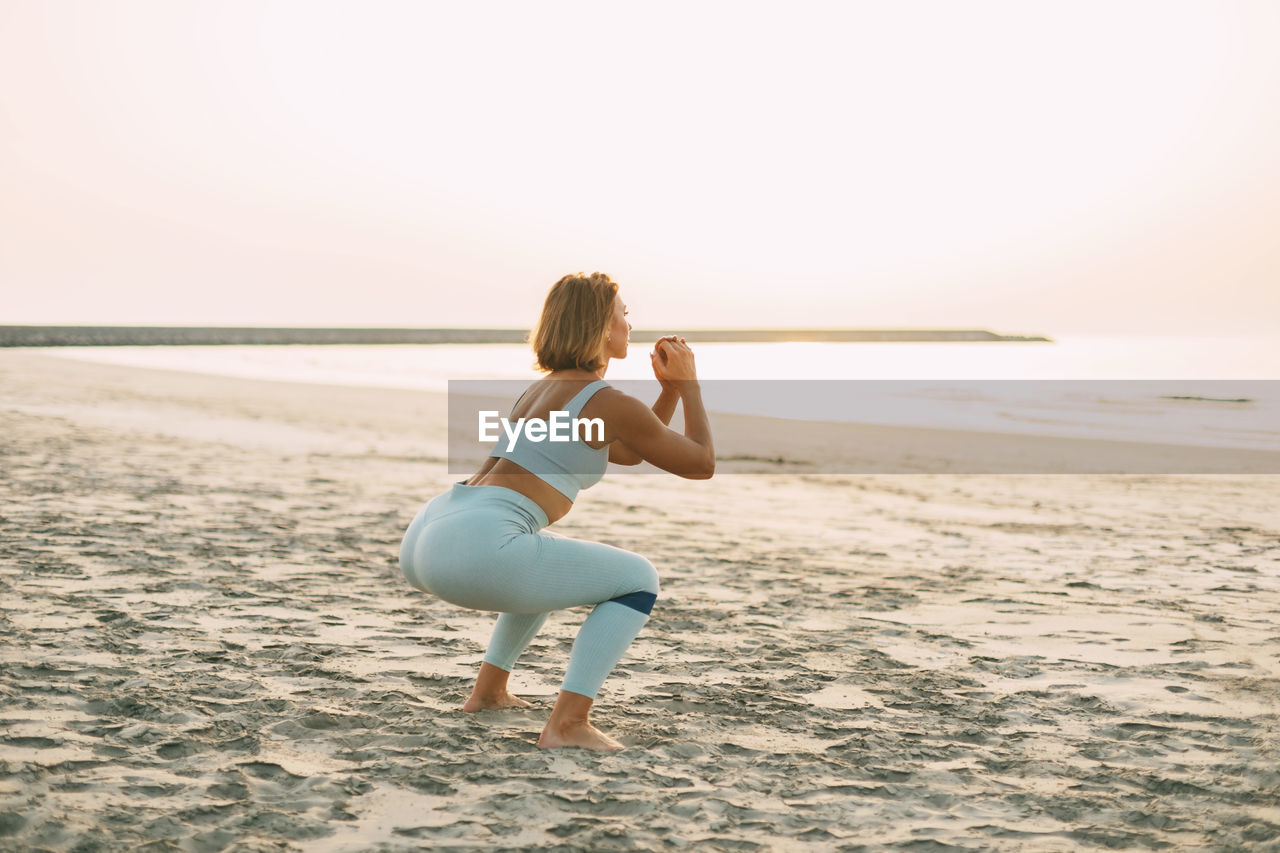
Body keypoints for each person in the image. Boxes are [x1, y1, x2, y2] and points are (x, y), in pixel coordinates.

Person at [398, 272, 714, 750]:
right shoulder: (609, 402)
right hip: (479, 547)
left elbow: (627, 451)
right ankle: (567, 724)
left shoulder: (540, 391)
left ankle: (488, 693)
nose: (630, 323)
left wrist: (666, 390)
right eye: (624, 314)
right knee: (639, 579)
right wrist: (690, 386)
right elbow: (700, 464)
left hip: (431, 534)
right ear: (602, 328)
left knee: (544, 560)